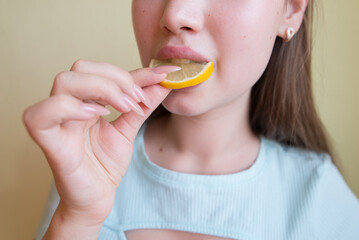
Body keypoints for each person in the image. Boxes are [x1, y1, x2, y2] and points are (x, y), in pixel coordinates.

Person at [23, 0, 359, 239]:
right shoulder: (90, 167)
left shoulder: (321, 203)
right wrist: (76, 220)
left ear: (291, 9)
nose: (175, 14)